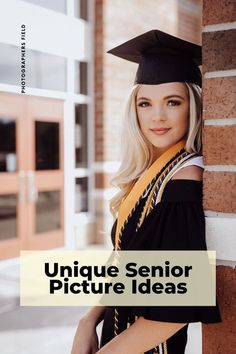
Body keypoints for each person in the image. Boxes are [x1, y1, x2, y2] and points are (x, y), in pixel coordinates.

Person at [71, 29, 222, 354]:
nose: (157, 116)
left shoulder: (185, 180)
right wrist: (89, 320)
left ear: (192, 106)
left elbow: (174, 313)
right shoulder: (155, 173)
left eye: (172, 102)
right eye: (145, 103)